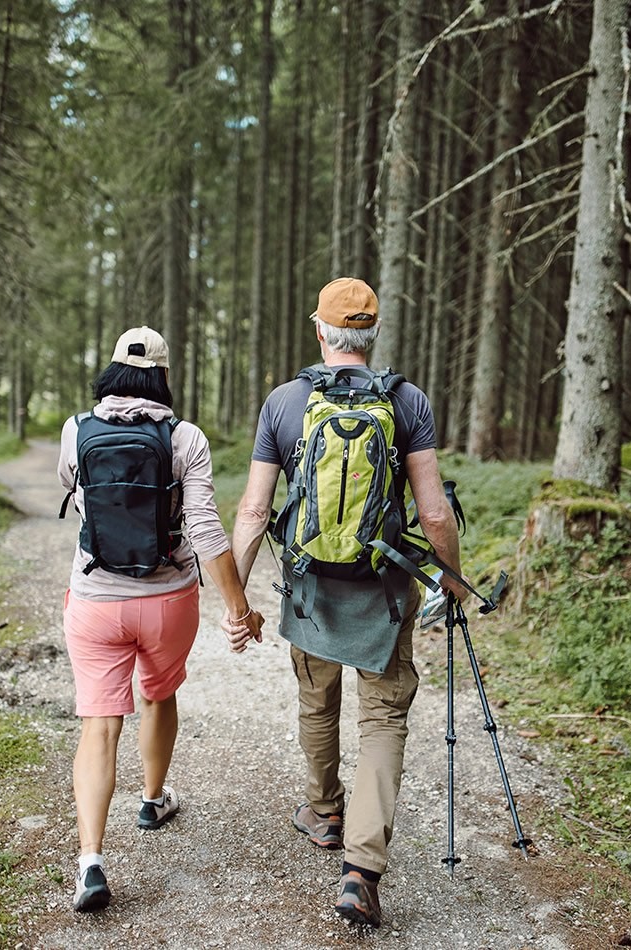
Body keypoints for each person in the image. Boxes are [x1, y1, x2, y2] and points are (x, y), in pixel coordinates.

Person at [225, 278, 466, 929]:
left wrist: (234, 597)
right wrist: (452, 577)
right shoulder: (406, 400)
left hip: (310, 592)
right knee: (383, 719)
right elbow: (434, 511)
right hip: (384, 593)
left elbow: (252, 511)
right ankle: (361, 871)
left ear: (320, 331)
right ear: (373, 333)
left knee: (316, 698)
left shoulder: (285, 401)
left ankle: (323, 810)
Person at [59, 326, 264, 913]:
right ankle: (152, 800)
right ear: (164, 377)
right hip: (168, 599)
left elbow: (74, 500)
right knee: (158, 693)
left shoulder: (76, 429)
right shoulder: (185, 438)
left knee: (99, 725)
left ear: (113, 370)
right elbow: (203, 530)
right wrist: (237, 609)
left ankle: (91, 863)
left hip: (95, 598)